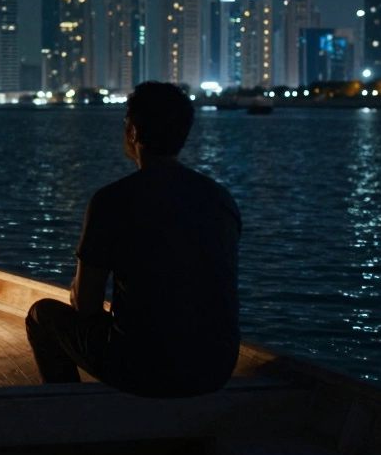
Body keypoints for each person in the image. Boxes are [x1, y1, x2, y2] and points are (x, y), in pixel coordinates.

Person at [25, 81, 241, 397]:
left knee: (41, 315)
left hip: (144, 367)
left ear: (134, 132)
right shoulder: (221, 199)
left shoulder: (112, 201)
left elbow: (86, 305)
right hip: (217, 366)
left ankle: (67, 417)